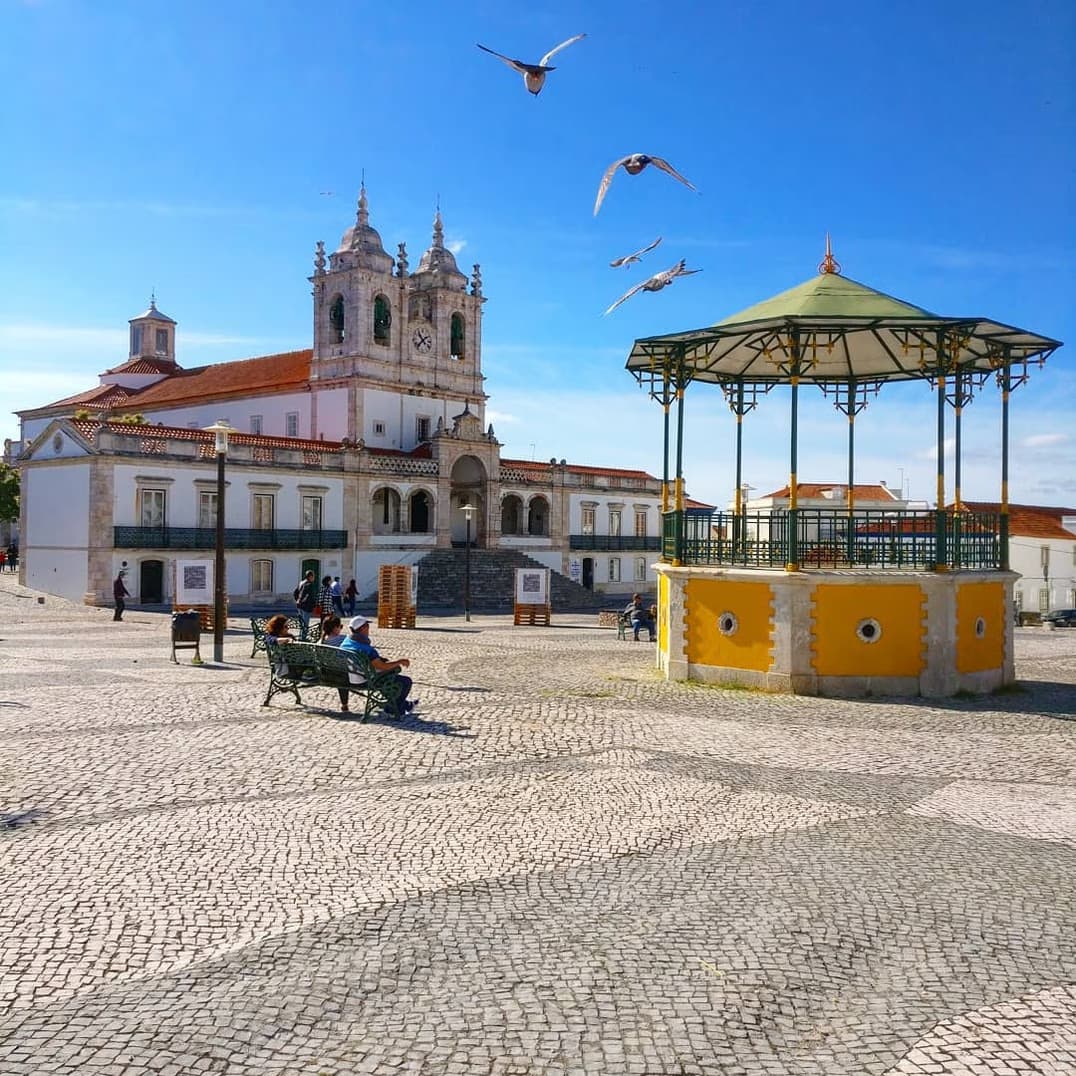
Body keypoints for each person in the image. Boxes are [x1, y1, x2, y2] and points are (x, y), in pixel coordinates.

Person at [340, 615, 417, 717]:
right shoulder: (367, 649)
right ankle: (392, 708)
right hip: (364, 679)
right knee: (405, 681)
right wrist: (399, 662)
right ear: (362, 628)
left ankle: (405, 705)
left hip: (348, 676)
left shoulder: (346, 642)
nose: (368, 628)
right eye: (367, 626)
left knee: (386, 676)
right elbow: (382, 667)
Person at [318, 614, 351, 712]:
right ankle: (344, 704)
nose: (341, 629)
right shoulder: (344, 639)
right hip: (342, 676)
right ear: (334, 628)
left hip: (325, 675)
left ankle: (344, 704)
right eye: (340, 626)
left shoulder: (321, 641)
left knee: (339, 669)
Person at [294, 570, 317, 640]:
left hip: (300, 606)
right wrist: (313, 604)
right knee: (305, 623)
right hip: (306, 606)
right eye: (313, 576)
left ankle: (301, 636)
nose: (314, 578)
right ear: (310, 576)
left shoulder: (301, 583)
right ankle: (303, 638)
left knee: (302, 623)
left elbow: (295, 592)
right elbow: (309, 596)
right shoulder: (309, 584)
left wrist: (297, 601)